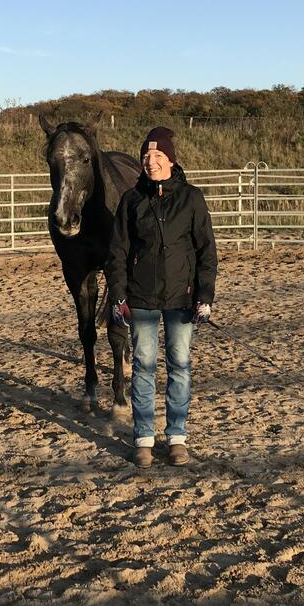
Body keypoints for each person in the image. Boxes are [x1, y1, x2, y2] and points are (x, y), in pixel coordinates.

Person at [105, 126, 217, 467]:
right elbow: (117, 252)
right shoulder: (131, 200)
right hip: (141, 299)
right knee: (143, 368)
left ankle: (177, 437)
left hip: (182, 299)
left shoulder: (191, 198)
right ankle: (143, 438)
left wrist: (204, 295)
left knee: (179, 366)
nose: (150, 162)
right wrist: (118, 295)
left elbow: (206, 251)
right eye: (145, 156)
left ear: (171, 160)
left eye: (157, 156)